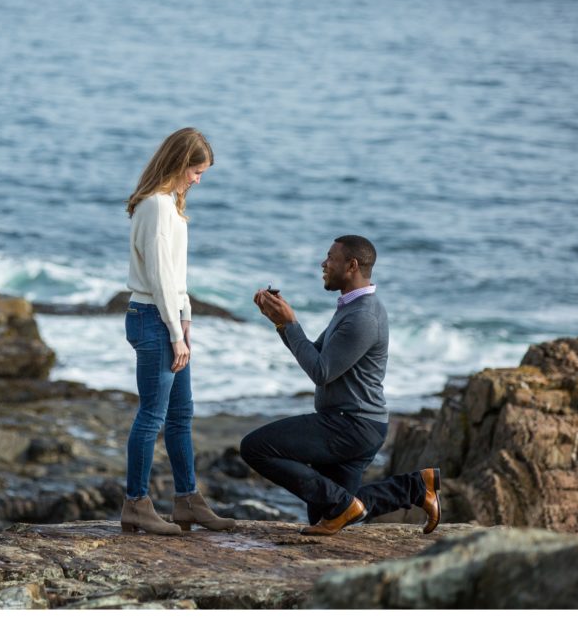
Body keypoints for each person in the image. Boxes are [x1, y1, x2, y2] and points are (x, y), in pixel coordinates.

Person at [241, 235, 441, 535]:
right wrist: (281, 322)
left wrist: (290, 324)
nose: (323, 264)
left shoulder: (363, 316)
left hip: (350, 425)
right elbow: (316, 353)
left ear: (352, 265)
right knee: (330, 513)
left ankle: (363, 499)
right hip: (354, 423)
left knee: (254, 447)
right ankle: (415, 487)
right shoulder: (351, 307)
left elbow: (321, 372)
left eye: (330, 258)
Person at [119, 128, 236, 535]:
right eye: (196, 171)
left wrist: (185, 320)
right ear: (178, 163)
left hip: (166, 317)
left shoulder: (170, 205)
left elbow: (175, 276)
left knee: (181, 414)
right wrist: (173, 329)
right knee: (152, 415)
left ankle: (187, 500)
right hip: (152, 318)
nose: (197, 180)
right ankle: (135, 503)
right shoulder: (155, 207)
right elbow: (158, 275)